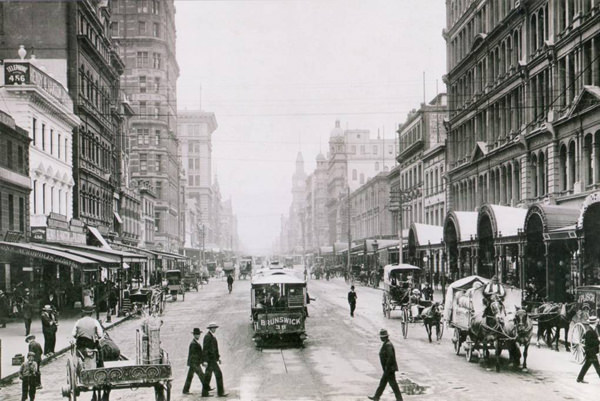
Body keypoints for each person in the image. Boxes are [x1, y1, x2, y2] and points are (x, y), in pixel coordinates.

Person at [368, 329, 403, 401]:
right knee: (383, 383)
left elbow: (390, 356)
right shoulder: (387, 344)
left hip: (389, 368)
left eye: (381, 337)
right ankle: (376, 397)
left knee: (393, 384)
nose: (380, 338)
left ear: (384, 337)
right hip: (388, 368)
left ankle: (399, 399)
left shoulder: (388, 345)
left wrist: (387, 366)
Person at [202, 322, 228, 397]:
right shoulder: (208, 337)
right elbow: (205, 349)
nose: (215, 329)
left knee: (208, 376)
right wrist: (205, 361)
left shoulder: (211, 336)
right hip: (210, 360)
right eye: (213, 328)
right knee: (218, 374)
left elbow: (215, 349)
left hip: (212, 360)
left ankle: (205, 393)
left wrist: (218, 358)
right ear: (210, 329)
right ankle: (220, 392)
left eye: (215, 328)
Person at [183, 328, 210, 395]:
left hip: (193, 363)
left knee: (190, 377)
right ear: (194, 335)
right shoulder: (193, 344)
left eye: (199, 334)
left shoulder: (195, 342)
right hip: (194, 363)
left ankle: (185, 390)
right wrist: (201, 362)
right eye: (197, 334)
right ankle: (207, 388)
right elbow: (195, 355)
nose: (198, 335)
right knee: (202, 375)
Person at [576, 316, 600, 383]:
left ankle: (579, 378)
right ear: (594, 323)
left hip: (591, 351)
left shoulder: (592, 329)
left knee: (587, 365)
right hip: (590, 351)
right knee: (597, 366)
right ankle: (579, 379)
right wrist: (598, 341)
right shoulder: (589, 331)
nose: (597, 323)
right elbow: (589, 342)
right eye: (596, 322)